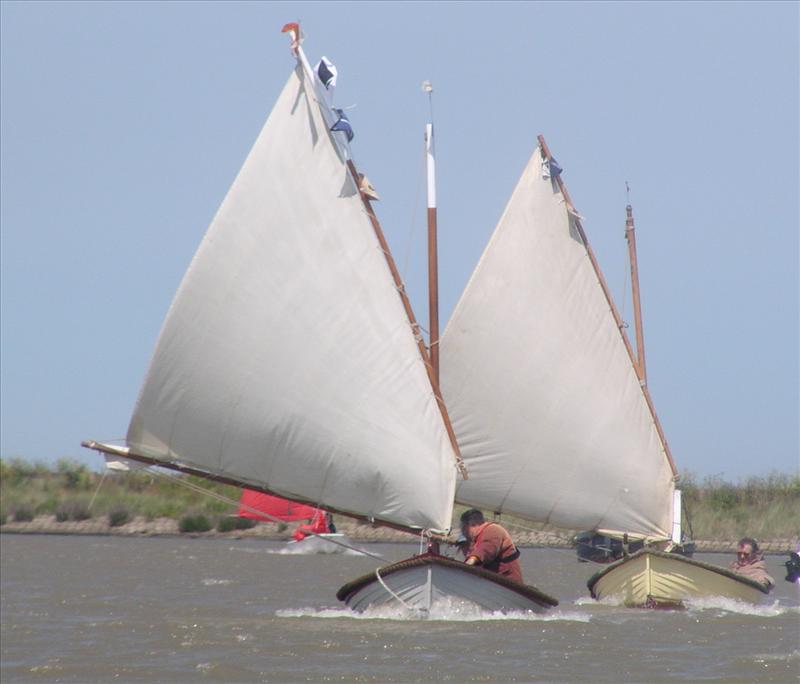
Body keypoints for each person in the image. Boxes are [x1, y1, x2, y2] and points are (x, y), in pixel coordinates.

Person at [459, 508, 523, 584]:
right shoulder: (475, 538)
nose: (463, 532)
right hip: (492, 581)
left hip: (508, 583)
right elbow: (470, 549)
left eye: (463, 528)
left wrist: (466, 566)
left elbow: (485, 550)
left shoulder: (493, 530)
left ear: (472, 524)